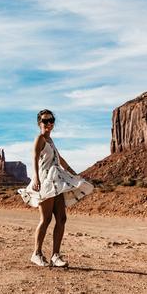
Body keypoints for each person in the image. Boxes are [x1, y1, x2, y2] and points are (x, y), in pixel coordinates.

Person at [18, 109, 94, 267]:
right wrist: (37, 178)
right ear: (39, 123)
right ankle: (36, 253)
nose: (49, 123)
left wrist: (74, 173)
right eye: (45, 121)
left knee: (61, 218)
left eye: (51, 120)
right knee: (46, 219)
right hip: (45, 181)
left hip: (57, 180)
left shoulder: (51, 141)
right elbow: (34, 157)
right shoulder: (40, 138)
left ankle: (55, 256)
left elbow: (60, 160)